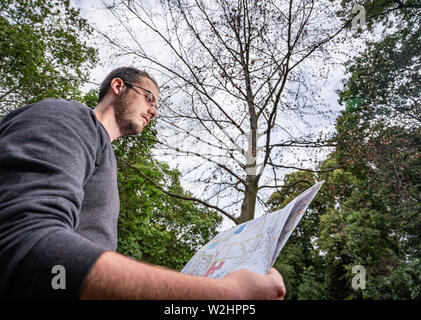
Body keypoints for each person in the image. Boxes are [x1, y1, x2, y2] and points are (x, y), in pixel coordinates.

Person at [0, 67, 286, 300]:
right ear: (118, 87)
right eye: (149, 98)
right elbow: (29, 251)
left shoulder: (103, 156)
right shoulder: (69, 117)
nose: (155, 111)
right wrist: (224, 294)